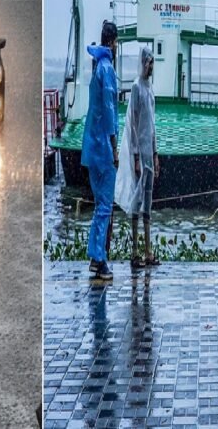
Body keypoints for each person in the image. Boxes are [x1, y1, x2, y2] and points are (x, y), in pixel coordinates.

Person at [82, 21, 120, 281]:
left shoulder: (97, 68)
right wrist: (115, 148)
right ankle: (99, 258)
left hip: (91, 145)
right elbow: (110, 113)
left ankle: (95, 256)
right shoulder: (107, 71)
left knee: (99, 205)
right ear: (113, 42)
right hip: (104, 148)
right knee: (105, 206)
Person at [117, 46, 160, 270]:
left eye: (152, 62)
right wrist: (135, 155)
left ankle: (148, 252)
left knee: (148, 201)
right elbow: (133, 124)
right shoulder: (136, 88)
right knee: (137, 199)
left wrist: (155, 152)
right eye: (148, 62)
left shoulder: (150, 89)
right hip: (138, 153)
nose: (150, 66)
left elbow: (152, 124)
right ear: (142, 63)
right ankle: (135, 252)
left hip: (148, 152)